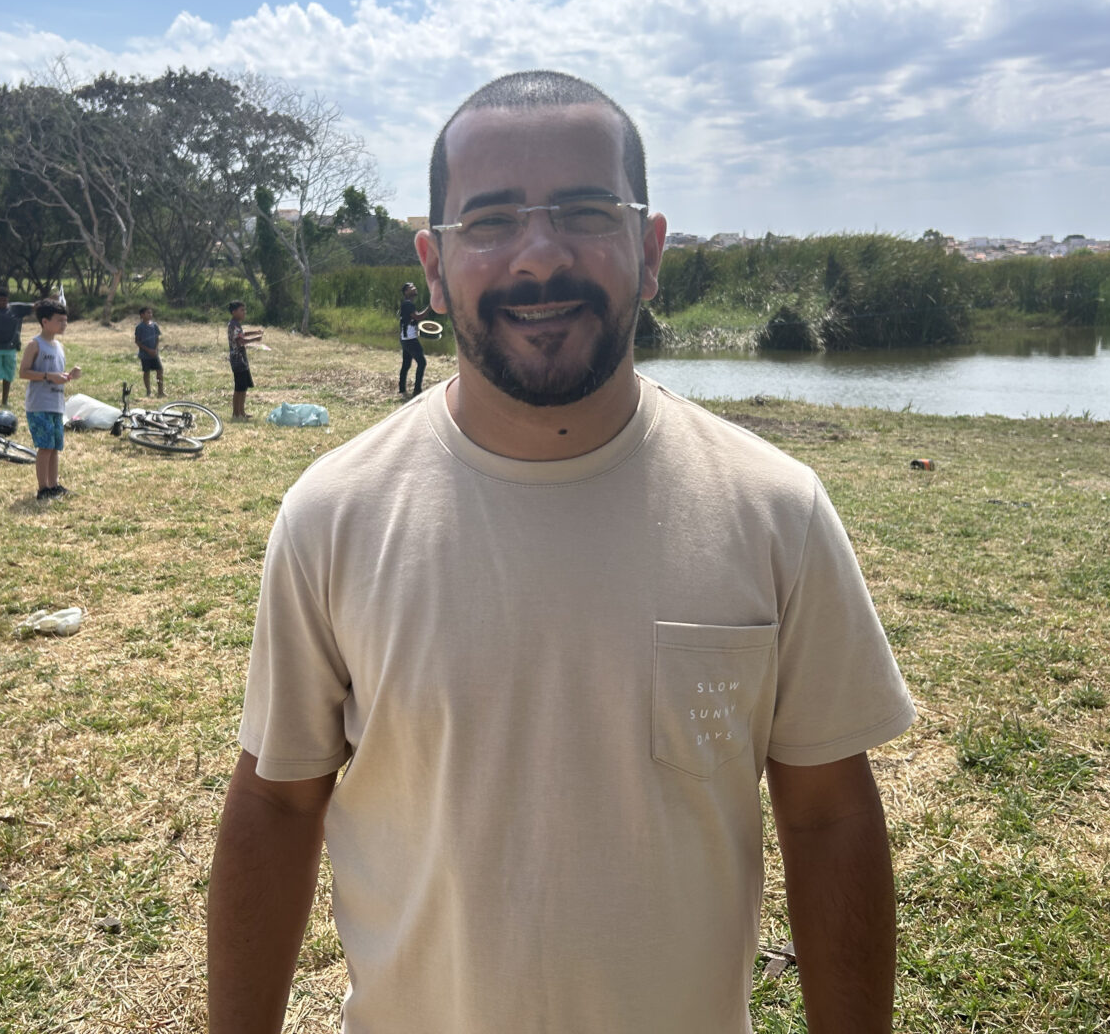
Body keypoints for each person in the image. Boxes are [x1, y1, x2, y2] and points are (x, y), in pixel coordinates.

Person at [206, 71, 916, 1034]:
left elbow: (830, 814)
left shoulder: (774, 510)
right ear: (433, 265)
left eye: (585, 211)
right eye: (490, 221)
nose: (540, 255)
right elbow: (279, 806)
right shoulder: (333, 517)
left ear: (649, 251)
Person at [17, 298, 81, 501]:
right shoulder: (34, 345)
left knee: (54, 447)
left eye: (65, 320)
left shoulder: (59, 346)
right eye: (59, 320)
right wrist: (48, 376)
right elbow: (23, 372)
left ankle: (54, 485)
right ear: (45, 322)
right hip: (39, 405)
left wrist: (68, 376)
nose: (64, 324)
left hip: (56, 404)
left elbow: (56, 375)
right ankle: (43, 488)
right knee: (45, 447)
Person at [226, 300, 263, 421]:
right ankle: (236, 414)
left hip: (242, 360)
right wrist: (255, 339)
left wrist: (254, 332)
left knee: (244, 387)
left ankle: (241, 412)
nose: (244, 312)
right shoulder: (233, 325)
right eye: (241, 310)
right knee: (239, 388)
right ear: (234, 312)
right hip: (238, 360)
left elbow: (242, 334)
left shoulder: (236, 324)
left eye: (244, 310)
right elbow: (240, 341)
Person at [396, 281, 430, 398]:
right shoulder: (408, 304)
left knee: (406, 364)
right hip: (410, 339)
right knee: (422, 362)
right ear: (406, 292)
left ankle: (402, 389)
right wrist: (430, 307)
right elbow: (418, 316)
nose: (414, 288)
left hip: (405, 338)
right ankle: (417, 390)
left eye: (414, 286)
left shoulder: (407, 304)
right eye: (411, 287)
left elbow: (412, 320)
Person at [134, 305, 165, 398]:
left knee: (160, 370)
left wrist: (155, 349)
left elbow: (157, 338)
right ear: (142, 315)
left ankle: (160, 392)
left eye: (151, 313)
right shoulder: (139, 327)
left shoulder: (154, 325)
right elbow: (137, 341)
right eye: (148, 313)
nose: (150, 314)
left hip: (154, 354)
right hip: (145, 355)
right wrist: (148, 350)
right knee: (146, 372)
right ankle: (148, 391)